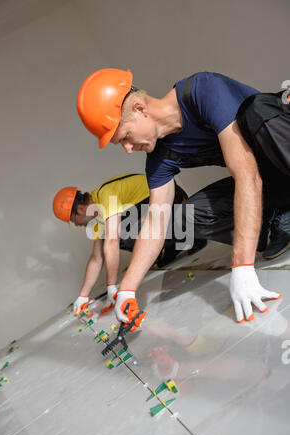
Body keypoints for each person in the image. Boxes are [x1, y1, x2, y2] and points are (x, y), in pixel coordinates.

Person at [76, 69, 290, 326]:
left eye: (125, 137)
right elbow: (155, 223)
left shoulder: (201, 91)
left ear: (140, 107)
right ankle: (281, 220)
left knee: (257, 110)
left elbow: (246, 174)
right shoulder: (158, 159)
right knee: (183, 218)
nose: (129, 149)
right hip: (273, 180)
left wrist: (242, 267)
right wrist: (127, 290)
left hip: (281, 147)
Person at [52, 173, 206, 316]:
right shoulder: (99, 218)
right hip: (157, 210)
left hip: (173, 199)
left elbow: (113, 241)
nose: (77, 225)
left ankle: (190, 231)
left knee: (119, 234)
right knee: (112, 234)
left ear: (80, 209)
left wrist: (112, 287)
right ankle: (171, 245)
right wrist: (83, 296)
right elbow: (96, 258)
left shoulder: (105, 195)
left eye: (73, 220)